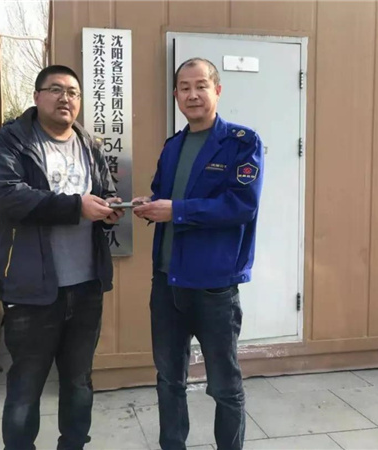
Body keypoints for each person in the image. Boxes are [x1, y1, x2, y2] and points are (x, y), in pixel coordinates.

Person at [0, 64, 124, 450]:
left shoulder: (89, 143)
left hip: (86, 286)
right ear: (37, 96)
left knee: (79, 383)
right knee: (25, 387)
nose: (66, 98)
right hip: (31, 289)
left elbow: (103, 192)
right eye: (56, 90)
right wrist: (77, 206)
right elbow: (9, 198)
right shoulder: (13, 140)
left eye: (73, 92)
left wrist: (110, 209)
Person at [133, 58, 264, 450]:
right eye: (184, 88)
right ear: (176, 95)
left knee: (224, 385)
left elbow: (241, 206)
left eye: (201, 86)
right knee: (169, 380)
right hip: (167, 282)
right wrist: (149, 204)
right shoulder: (173, 146)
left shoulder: (242, 143)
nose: (192, 95)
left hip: (213, 287)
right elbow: (165, 196)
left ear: (217, 90)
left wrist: (176, 210)